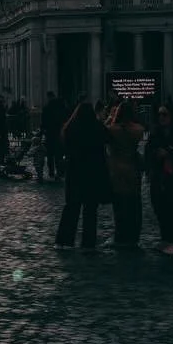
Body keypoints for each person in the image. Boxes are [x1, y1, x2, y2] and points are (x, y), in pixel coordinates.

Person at [54, 102, 110, 250]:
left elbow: (65, 146)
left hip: (75, 171)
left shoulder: (71, 128)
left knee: (71, 207)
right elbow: (108, 138)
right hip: (93, 172)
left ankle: (65, 240)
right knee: (90, 210)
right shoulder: (97, 127)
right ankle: (88, 242)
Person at [104, 102, 145, 249]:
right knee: (134, 202)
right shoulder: (138, 130)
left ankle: (120, 235)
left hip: (116, 169)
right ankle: (133, 235)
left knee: (119, 204)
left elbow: (105, 131)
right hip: (132, 168)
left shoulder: (112, 130)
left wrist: (110, 118)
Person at [145, 105, 173, 253]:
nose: (162, 117)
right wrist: (156, 154)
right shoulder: (154, 134)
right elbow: (148, 153)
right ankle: (166, 238)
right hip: (159, 179)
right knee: (160, 210)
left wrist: (170, 153)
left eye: (165, 114)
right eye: (160, 115)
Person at [41, 92, 67, 181]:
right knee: (58, 155)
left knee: (50, 155)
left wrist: (43, 131)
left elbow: (43, 122)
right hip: (58, 133)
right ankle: (59, 172)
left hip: (49, 134)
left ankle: (51, 172)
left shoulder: (46, 108)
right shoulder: (60, 107)